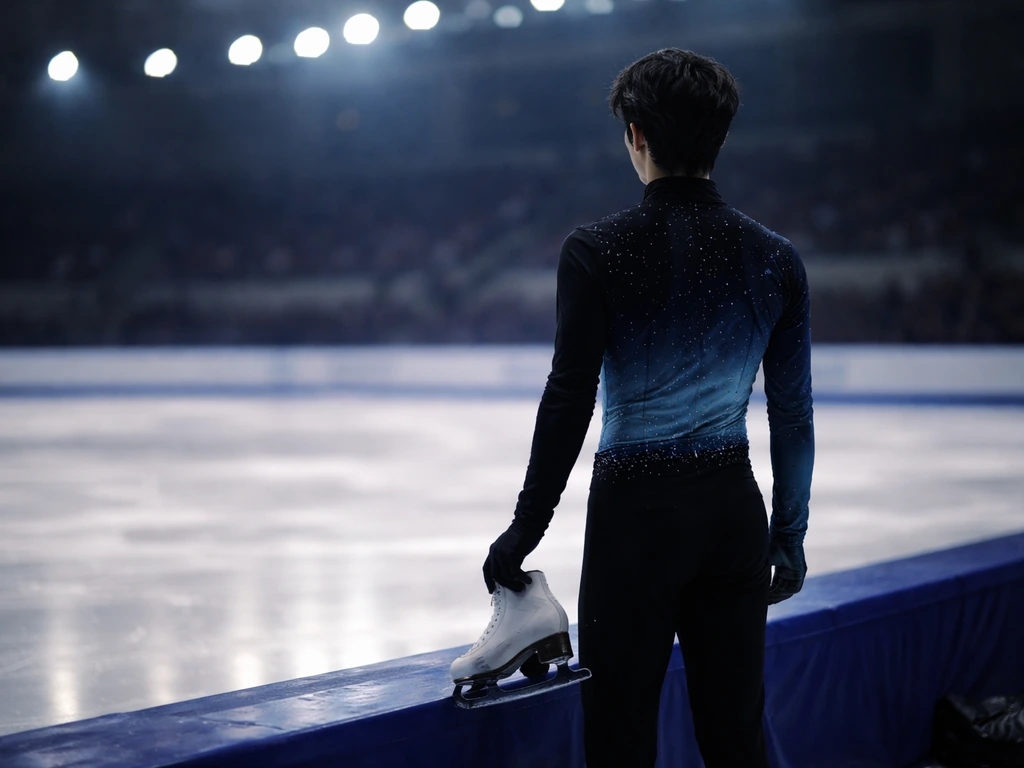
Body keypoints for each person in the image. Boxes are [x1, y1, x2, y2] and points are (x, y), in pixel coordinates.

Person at [482, 48, 814, 767]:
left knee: (619, 735)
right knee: (736, 736)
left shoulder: (595, 249)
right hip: (733, 514)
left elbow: (569, 395)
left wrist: (524, 529)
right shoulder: (776, 257)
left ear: (635, 134)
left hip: (635, 519)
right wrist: (787, 534)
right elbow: (791, 416)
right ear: (720, 137)